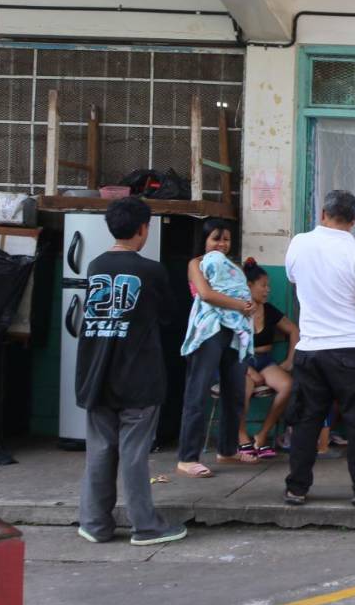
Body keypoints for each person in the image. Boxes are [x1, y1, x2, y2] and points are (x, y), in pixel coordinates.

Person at [75, 197, 186, 545]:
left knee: (101, 451)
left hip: (95, 374)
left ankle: (94, 523)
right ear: (143, 230)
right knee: (134, 454)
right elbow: (168, 315)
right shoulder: (151, 270)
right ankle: (146, 526)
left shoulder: (94, 265)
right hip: (138, 376)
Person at [283, 190, 355, 506]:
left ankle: (297, 488)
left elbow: (293, 279)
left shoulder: (299, 244)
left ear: (322, 214)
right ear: (354, 220)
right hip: (352, 352)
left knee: (306, 421)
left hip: (310, 349)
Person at [177, 222, 257, 478]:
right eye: (216, 239)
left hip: (234, 332)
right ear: (204, 240)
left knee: (234, 392)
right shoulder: (196, 263)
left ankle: (227, 450)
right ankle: (187, 458)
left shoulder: (232, 267)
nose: (222, 244)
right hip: (209, 330)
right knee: (198, 393)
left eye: (226, 239)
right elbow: (206, 294)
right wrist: (240, 305)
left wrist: (248, 306)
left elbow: (244, 294)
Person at [237, 258, 299, 459]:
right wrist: (248, 370)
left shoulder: (270, 310)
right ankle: (241, 435)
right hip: (241, 362)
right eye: (263, 286)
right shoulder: (237, 309)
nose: (267, 290)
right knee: (244, 388)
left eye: (268, 286)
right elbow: (228, 346)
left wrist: (290, 359)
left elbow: (293, 331)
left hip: (264, 360)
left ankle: (262, 435)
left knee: (287, 385)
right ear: (249, 285)